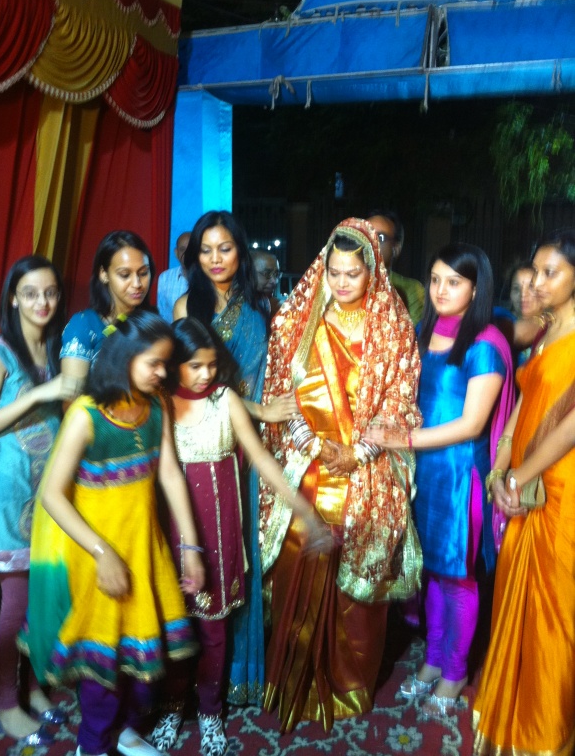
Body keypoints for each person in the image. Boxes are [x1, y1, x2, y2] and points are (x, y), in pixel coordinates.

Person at [259, 217, 422, 733]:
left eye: (354, 273)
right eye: (335, 272)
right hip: (309, 465)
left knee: (356, 588)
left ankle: (347, 684)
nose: (344, 282)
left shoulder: (392, 325)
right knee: (297, 562)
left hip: (366, 470)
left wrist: (360, 452)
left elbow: (399, 400)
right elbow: (281, 395)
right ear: (323, 269)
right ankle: (292, 678)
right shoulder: (298, 320)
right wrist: (314, 445)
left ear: (373, 271)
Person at [19, 311, 204, 756]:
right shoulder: (86, 415)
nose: (162, 373)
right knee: (104, 663)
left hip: (145, 550)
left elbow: (170, 474)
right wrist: (102, 553)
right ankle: (92, 745)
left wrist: (190, 547)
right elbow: (53, 496)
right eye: (153, 363)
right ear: (124, 357)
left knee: (143, 663)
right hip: (96, 556)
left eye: (165, 363)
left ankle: (125, 731)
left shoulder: (156, 406)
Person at [150, 317, 329, 756]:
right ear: (174, 364)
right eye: (195, 366)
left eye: (211, 365)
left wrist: (305, 511)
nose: (206, 374)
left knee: (214, 630)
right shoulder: (162, 404)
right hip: (174, 532)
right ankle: (172, 706)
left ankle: (210, 711)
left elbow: (263, 460)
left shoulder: (225, 399)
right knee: (176, 626)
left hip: (220, 531)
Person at [366, 243, 514, 720]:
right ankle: (432, 660)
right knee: (429, 570)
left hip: (457, 476)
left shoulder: (485, 342)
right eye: (435, 280)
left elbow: (471, 425)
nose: (441, 290)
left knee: (457, 576)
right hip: (422, 471)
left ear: (476, 287)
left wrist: (402, 439)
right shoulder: (423, 331)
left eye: (454, 282)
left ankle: (454, 672)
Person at [173, 210, 297, 706]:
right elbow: (189, 385)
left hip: (244, 449)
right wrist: (261, 408)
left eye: (224, 248)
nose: (215, 259)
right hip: (198, 446)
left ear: (239, 252)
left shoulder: (257, 310)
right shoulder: (187, 306)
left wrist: (270, 414)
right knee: (194, 551)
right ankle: (185, 689)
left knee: (238, 553)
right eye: (206, 250)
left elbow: (263, 377)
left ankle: (234, 677)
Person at [473, 229, 575, 755]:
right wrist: (500, 466)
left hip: (561, 491)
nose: (537, 281)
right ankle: (513, 724)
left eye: (550, 273)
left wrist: (518, 476)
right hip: (525, 485)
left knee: (554, 618)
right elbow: (523, 400)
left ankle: (546, 737)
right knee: (518, 606)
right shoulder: (547, 328)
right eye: (536, 271)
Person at [0, 255, 73, 744]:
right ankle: (6, 703)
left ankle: (35, 690)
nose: (42, 302)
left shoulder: (56, 349)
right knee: (15, 605)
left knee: (44, 600)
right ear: (13, 297)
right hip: (11, 497)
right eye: (31, 293)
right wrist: (37, 395)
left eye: (50, 292)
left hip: (49, 495)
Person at [61, 230, 156, 395]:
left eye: (143, 273)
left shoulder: (153, 323)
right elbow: (71, 400)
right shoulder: (84, 325)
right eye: (125, 275)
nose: (137, 283)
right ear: (104, 274)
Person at [367, 209, 425, 324]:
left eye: (380, 238)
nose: (370, 242)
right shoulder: (340, 282)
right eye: (365, 235)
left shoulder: (411, 290)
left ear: (396, 248)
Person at [157, 231, 190, 323]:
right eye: (182, 249)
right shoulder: (165, 278)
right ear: (176, 253)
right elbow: (162, 314)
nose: (187, 253)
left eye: (191, 249)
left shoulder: (209, 278)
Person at [251, 248, 281, 317]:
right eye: (267, 274)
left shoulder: (271, 305)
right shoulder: (235, 307)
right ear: (248, 273)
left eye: (276, 274)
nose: (274, 281)